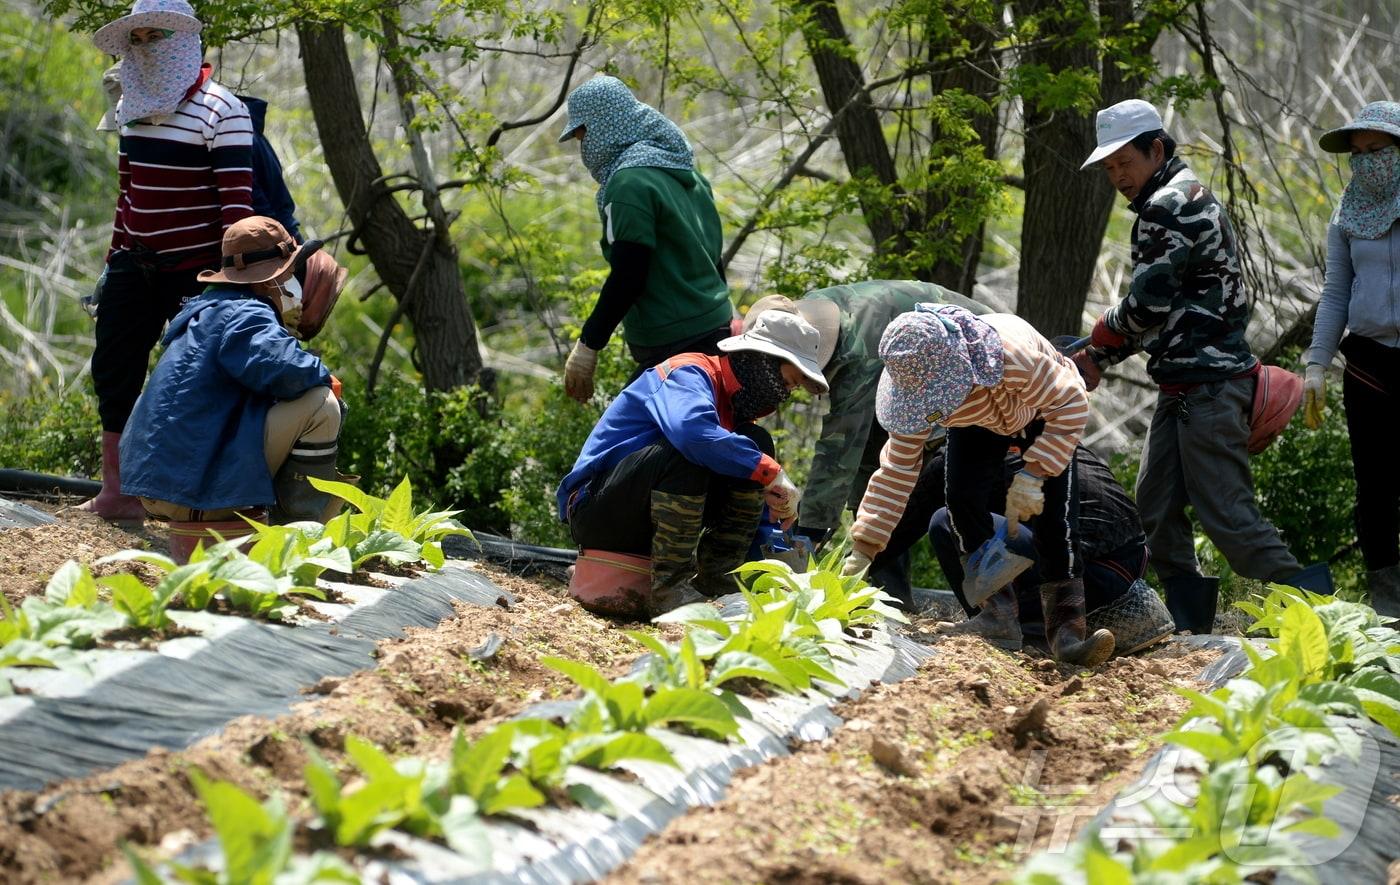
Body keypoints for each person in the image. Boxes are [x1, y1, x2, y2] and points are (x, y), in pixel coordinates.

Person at [1078, 99, 1330, 633]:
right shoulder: (1179, 195)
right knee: (1155, 509)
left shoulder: (1166, 206)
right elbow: (1164, 312)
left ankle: (1330, 623)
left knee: (1230, 520)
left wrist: (1098, 336)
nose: (1118, 175)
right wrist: (1099, 353)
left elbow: (1146, 304)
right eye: (1109, 168)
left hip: (1210, 389)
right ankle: (1191, 627)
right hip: (1185, 385)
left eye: (1126, 161)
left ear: (1158, 149)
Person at [843, 303, 1115, 666]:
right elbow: (896, 471)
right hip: (977, 419)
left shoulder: (1011, 356)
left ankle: (1067, 633)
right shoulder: (910, 386)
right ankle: (997, 616)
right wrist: (864, 546)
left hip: (1042, 411)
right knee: (960, 499)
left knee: (1056, 520)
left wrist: (1034, 473)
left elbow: (1070, 403)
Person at [82, 0, 254, 522]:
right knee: (114, 369)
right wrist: (112, 265)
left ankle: (186, 499)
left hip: (196, 272)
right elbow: (127, 196)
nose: (145, 47)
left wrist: (231, 287)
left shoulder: (223, 111)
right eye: (137, 38)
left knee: (189, 381)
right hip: (135, 263)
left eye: (157, 36)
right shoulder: (130, 108)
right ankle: (118, 493)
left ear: (182, 40)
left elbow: (236, 212)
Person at [558, 310, 828, 618]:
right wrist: (771, 473)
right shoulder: (688, 373)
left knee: (754, 444)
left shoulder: (733, 413)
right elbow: (692, 434)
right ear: (762, 360)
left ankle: (718, 579)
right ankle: (670, 590)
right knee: (697, 451)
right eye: (786, 381)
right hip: (597, 512)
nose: (783, 394)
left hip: (647, 518)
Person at [741, 281, 993, 607]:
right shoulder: (808, 314)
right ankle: (883, 587)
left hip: (980, 370)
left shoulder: (855, 347)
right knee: (874, 467)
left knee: (926, 481)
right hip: (925, 369)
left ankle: (894, 592)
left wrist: (807, 536)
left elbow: (839, 448)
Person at [120, 217, 347, 525]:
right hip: (190, 491)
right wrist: (320, 371)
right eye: (290, 271)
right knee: (322, 402)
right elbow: (289, 370)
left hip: (159, 485)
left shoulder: (207, 309)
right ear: (270, 279)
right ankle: (298, 534)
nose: (293, 280)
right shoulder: (247, 314)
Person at [557, 75, 733, 402]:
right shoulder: (685, 173)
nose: (583, 149)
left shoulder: (628, 185)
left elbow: (630, 275)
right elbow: (713, 254)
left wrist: (588, 345)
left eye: (583, 136)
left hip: (675, 341)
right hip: (716, 328)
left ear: (604, 126)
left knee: (621, 443)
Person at [927, 444, 1175, 657]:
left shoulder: (963, 455)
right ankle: (1044, 628)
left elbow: (902, 526)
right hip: (1126, 563)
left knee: (945, 521)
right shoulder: (1048, 423)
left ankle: (1016, 628)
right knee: (992, 522)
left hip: (1090, 572)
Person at [1302, 101, 1400, 618]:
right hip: (1367, 361)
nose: (1367, 162)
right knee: (1375, 486)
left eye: (1377, 151)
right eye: (1357, 154)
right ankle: (1388, 603)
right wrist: (1316, 364)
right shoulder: (1348, 210)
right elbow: (1336, 290)